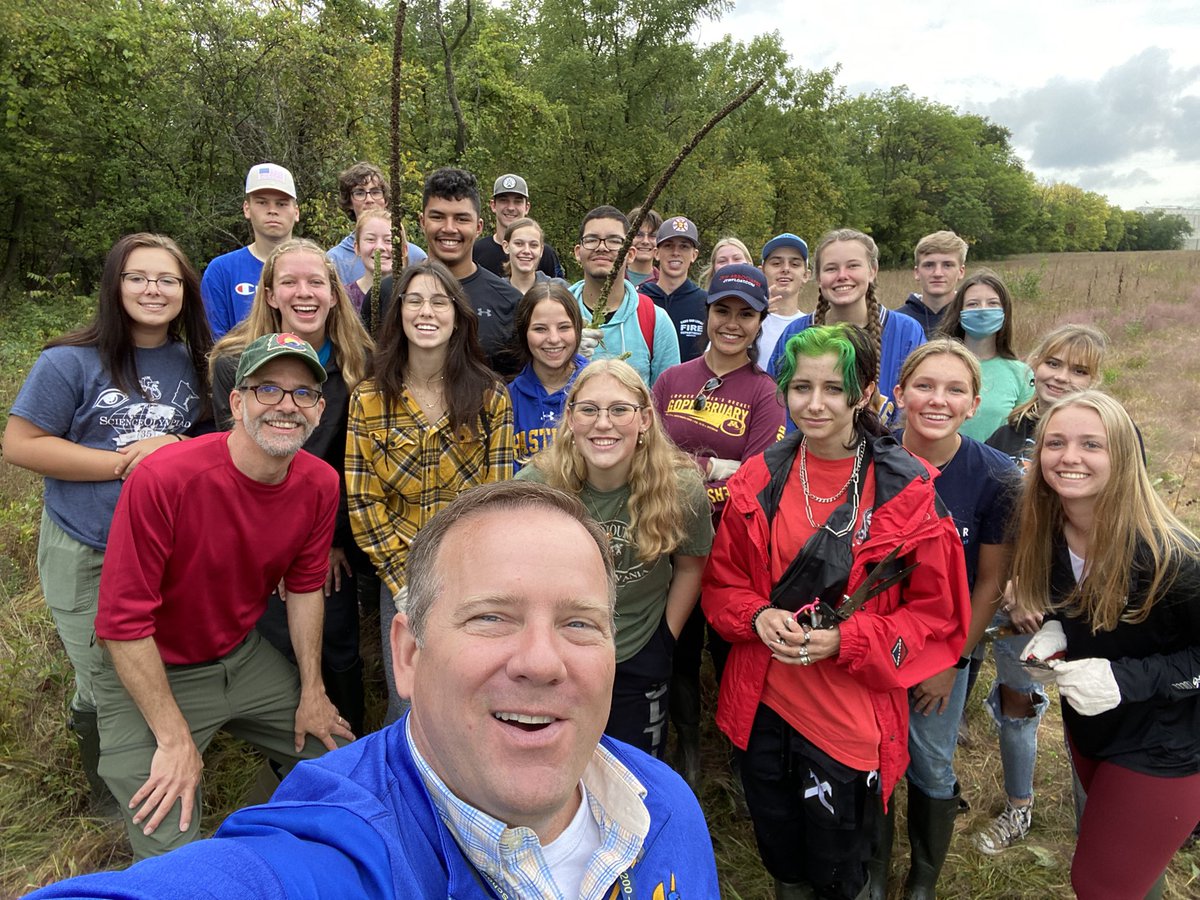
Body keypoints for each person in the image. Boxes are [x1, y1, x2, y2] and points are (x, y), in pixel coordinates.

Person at [27, 482, 721, 900]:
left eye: (579, 623)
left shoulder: (664, 805)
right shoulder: (342, 850)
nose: (542, 662)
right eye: (490, 617)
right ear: (408, 655)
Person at [703, 324, 970, 899]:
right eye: (801, 387)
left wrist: (847, 641)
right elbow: (722, 584)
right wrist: (754, 617)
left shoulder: (911, 494)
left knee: (842, 868)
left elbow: (936, 618)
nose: (815, 403)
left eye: (833, 388)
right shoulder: (758, 477)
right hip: (763, 705)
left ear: (864, 394)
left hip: (848, 720)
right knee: (783, 856)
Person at [88, 333, 352, 858]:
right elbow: (122, 623)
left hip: (240, 655)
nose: (285, 406)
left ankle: (263, 829)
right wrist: (172, 737)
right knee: (170, 843)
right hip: (150, 668)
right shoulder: (165, 479)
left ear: (319, 411)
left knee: (343, 762)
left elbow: (303, 589)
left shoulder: (319, 483)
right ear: (236, 402)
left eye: (302, 394)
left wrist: (313, 690)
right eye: (267, 390)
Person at [3, 233, 212, 815]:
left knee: (147, 659)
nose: (153, 289)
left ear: (184, 292)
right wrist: (127, 464)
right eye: (138, 277)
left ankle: (152, 751)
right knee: (102, 673)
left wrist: (172, 446)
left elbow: (202, 442)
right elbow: (19, 444)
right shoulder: (69, 360)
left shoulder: (197, 361)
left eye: (167, 280)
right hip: (86, 543)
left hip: (159, 547)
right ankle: (105, 783)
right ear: (115, 285)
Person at [1012, 391, 1200, 899]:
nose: (1069, 457)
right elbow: (1075, 605)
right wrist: (1058, 632)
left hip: (1166, 745)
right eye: (1056, 442)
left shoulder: (1173, 558)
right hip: (1092, 731)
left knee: (1099, 885)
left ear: (1123, 455)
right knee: (1133, 870)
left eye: (1090, 444)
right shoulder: (1048, 531)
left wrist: (1124, 679)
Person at [870, 339, 1019, 899]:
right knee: (874, 750)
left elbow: (988, 582)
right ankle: (874, 864)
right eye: (925, 386)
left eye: (955, 389)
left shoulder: (995, 476)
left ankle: (924, 878)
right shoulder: (873, 457)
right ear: (900, 394)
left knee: (930, 758)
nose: (939, 400)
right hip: (877, 640)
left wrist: (951, 663)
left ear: (974, 403)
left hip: (945, 646)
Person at [209, 240, 374, 735]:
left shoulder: (359, 364)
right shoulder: (232, 363)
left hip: (331, 531)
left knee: (338, 635)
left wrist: (332, 543)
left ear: (335, 294)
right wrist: (277, 551)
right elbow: (238, 463)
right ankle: (289, 749)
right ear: (271, 293)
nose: (304, 294)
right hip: (260, 532)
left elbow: (355, 462)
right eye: (290, 282)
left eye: (316, 282)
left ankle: (347, 745)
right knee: (277, 642)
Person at [517, 359, 714, 760]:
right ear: (570, 419)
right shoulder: (537, 486)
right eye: (588, 409)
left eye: (619, 410)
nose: (603, 423)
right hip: (562, 648)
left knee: (634, 765)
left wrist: (665, 638)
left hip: (640, 645)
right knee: (562, 758)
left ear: (643, 419)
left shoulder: (681, 488)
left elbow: (692, 567)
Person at [346, 259, 514, 725]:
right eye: (415, 300)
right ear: (398, 312)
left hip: (471, 572)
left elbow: (495, 497)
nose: (427, 312)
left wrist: (467, 575)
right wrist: (404, 586)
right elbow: (363, 501)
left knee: (472, 688)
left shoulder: (490, 397)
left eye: (440, 302)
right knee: (409, 695)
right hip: (398, 572)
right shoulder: (368, 398)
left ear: (458, 316)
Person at [651, 263, 786, 790]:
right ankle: (688, 744)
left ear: (759, 323)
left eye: (745, 315)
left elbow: (756, 478)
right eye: (722, 310)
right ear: (707, 313)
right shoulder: (671, 380)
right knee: (678, 646)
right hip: (670, 540)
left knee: (731, 652)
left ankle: (736, 752)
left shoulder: (764, 392)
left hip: (733, 550)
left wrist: (689, 470)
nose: (732, 323)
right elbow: (650, 460)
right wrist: (711, 468)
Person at [767, 229, 925, 427]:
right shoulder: (795, 333)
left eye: (853, 266)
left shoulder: (906, 332)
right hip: (807, 454)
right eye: (831, 268)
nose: (842, 276)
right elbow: (775, 408)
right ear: (818, 277)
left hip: (884, 455)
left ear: (872, 270)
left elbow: (916, 408)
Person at [378, 167, 522, 375]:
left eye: (461, 219)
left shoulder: (509, 301)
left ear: (479, 226)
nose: (449, 228)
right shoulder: (389, 292)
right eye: (437, 217)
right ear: (422, 221)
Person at [570, 206, 679, 386]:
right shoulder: (556, 314)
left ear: (630, 255)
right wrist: (566, 358)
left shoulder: (655, 320)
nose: (602, 247)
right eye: (591, 240)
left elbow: (667, 400)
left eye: (614, 241)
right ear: (577, 253)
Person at [986, 323, 1110, 470]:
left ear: (1094, 380)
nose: (1061, 377)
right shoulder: (1004, 437)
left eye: (1079, 371)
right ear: (1035, 364)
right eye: (1053, 364)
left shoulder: (1109, 433)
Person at [201, 163, 300, 339]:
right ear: (247, 208)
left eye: (282, 204)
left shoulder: (319, 268)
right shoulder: (222, 271)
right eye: (262, 202)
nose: (272, 211)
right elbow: (214, 345)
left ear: (296, 212)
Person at [938, 269, 1033, 442]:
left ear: (1005, 312)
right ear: (959, 312)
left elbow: (1024, 437)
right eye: (973, 304)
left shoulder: (1021, 374)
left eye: (992, 303)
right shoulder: (936, 363)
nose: (982, 311)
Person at [508, 282, 586, 471]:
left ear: (577, 330)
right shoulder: (508, 399)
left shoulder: (598, 389)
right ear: (524, 333)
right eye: (540, 329)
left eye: (564, 327)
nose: (553, 338)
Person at [326, 161, 425, 287]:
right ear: (349, 202)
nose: (369, 200)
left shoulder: (414, 256)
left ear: (386, 200)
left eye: (375, 192)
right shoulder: (335, 260)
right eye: (360, 193)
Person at [471, 173, 564, 279]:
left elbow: (559, 291)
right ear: (493, 205)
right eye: (504, 200)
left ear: (527, 207)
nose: (511, 207)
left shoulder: (545, 254)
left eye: (518, 201)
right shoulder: (476, 251)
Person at [641, 216, 707, 362]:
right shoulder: (639, 299)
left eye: (684, 246)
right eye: (668, 246)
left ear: (694, 255)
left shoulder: (706, 303)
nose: (676, 252)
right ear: (656, 253)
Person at [902, 231, 968, 338]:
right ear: (917, 272)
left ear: (961, 271)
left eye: (947, 265)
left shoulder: (971, 321)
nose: (938, 273)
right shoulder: (897, 322)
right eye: (929, 265)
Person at [757, 232, 811, 362]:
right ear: (761, 272)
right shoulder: (747, 322)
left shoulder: (813, 325)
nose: (785, 269)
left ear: (806, 275)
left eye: (795, 264)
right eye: (776, 263)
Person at [342, 208, 400, 328]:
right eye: (370, 240)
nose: (379, 247)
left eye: (389, 240)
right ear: (357, 248)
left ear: (403, 249)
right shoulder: (344, 298)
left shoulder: (411, 295)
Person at [502, 216, 568, 295]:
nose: (526, 251)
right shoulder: (495, 290)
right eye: (519, 243)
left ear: (541, 250)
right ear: (506, 247)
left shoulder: (560, 289)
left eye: (533, 245)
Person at [626, 206, 662, 287]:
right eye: (638, 235)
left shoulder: (664, 284)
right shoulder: (612, 279)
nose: (645, 241)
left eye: (652, 235)